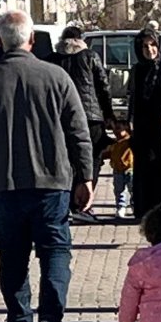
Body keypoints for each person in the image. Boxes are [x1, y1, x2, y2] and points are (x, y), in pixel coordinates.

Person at [0, 10, 94, 322]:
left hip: (1, 186)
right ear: (31, 39)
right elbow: (78, 132)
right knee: (55, 252)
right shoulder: (56, 77)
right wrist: (87, 176)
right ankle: (51, 317)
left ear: (2, 42)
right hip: (52, 183)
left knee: (12, 257)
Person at [47, 26, 116, 223]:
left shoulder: (52, 59)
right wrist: (108, 114)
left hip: (61, 118)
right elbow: (103, 86)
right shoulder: (90, 56)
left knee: (66, 161)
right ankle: (85, 204)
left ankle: (67, 204)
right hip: (91, 117)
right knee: (92, 160)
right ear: (81, 39)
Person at [126, 27, 161, 217]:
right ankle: (145, 209)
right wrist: (129, 121)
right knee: (144, 165)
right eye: (145, 46)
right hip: (142, 125)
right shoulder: (138, 69)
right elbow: (133, 97)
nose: (149, 50)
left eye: (153, 45)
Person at [105, 120, 134, 219]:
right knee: (119, 190)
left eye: (119, 129)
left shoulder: (129, 141)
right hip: (117, 170)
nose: (116, 131)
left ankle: (134, 205)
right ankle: (121, 207)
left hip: (129, 169)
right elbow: (108, 153)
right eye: (114, 129)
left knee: (132, 189)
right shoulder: (114, 144)